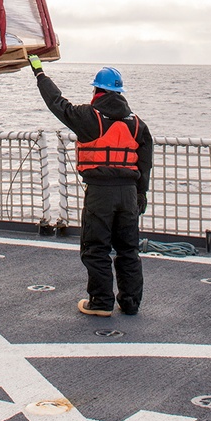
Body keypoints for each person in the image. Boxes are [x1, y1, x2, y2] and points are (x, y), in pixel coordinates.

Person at [29, 58, 152, 317]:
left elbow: (56, 103)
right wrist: (141, 194)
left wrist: (40, 73)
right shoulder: (138, 124)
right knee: (129, 250)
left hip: (100, 193)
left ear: (97, 91)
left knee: (96, 248)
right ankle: (130, 302)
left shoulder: (89, 118)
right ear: (120, 93)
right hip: (129, 194)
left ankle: (100, 302)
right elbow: (145, 162)